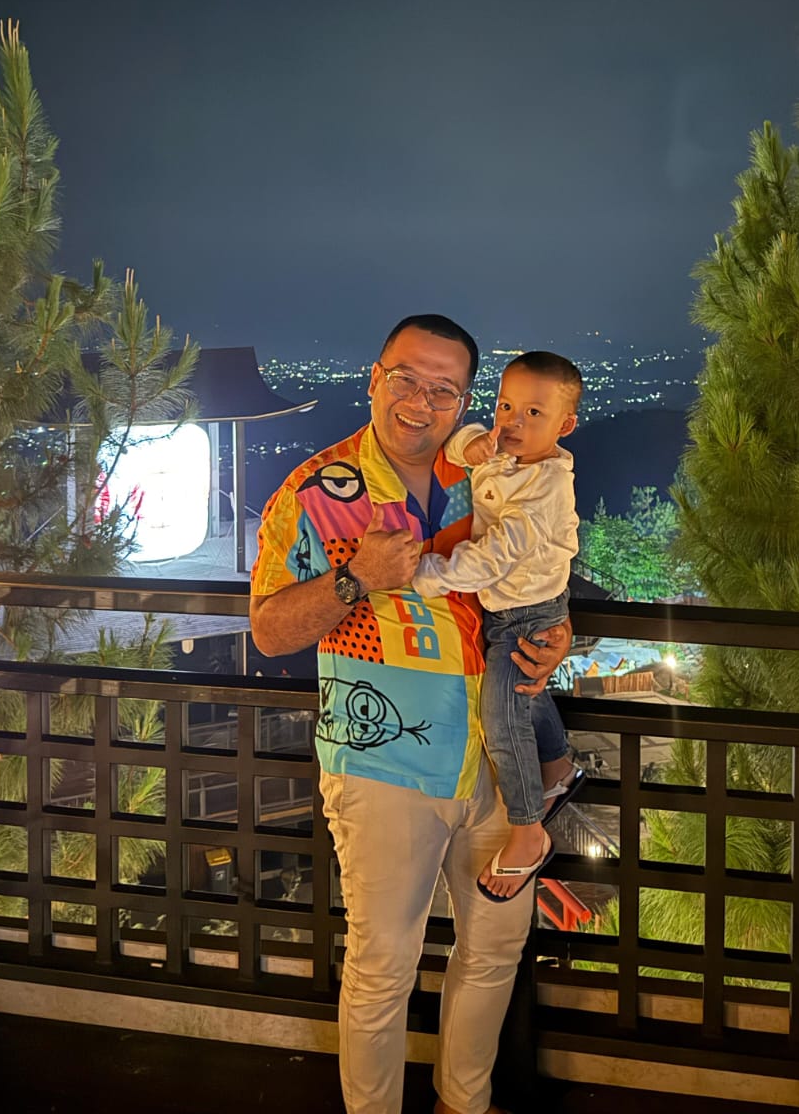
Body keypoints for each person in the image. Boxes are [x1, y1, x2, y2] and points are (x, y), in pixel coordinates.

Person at [250, 315, 573, 1114]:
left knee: (494, 951)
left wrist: (557, 632)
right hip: (383, 761)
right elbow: (269, 630)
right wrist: (355, 578)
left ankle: (465, 1103)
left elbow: (539, 569)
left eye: (445, 389)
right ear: (375, 378)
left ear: (466, 400)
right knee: (382, 966)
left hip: (498, 760)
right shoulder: (316, 492)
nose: (422, 401)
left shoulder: (494, 471)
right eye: (406, 378)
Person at [414, 352, 586, 903]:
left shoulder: (542, 490)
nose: (512, 422)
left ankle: (528, 831)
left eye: (533, 413)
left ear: (565, 425)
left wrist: (426, 573)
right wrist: (471, 445)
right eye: (506, 406)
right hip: (522, 607)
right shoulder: (512, 456)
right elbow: (463, 444)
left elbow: (492, 557)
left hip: (525, 614)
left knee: (503, 719)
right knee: (528, 694)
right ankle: (558, 768)